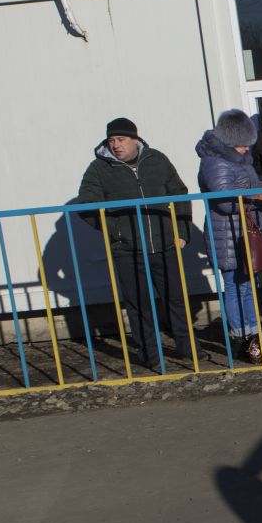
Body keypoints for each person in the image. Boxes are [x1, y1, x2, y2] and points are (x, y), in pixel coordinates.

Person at [71, 118, 194, 371]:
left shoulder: (157, 160)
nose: (116, 145)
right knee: (139, 304)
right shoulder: (98, 168)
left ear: (135, 139)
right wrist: (114, 231)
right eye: (111, 140)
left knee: (176, 298)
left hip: (165, 242)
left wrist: (181, 231)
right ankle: (150, 355)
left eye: (121, 139)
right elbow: (86, 205)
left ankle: (188, 349)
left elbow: (179, 193)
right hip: (127, 249)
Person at [196, 110, 262, 362]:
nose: (247, 148)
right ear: (230, 141)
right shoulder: (214, 162)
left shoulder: (237, 159)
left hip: (241, 229)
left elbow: (242, 189)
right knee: (233, 285)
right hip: (227, 231)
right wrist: (256, 197)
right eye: (243, 143)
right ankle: (242, 338)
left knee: (246, 285)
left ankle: (252, 335)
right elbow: (224, 201)